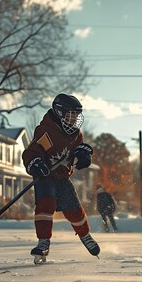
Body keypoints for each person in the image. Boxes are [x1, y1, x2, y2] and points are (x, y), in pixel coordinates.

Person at [22, 93, 99, 263]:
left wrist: (84, 154)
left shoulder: (75, 134)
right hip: (45, 177)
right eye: (71, 115)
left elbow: (79, 148)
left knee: (74, 209)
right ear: (59, 113)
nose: (74, 120)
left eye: (76, 116)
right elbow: (32, 153)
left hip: (63, 177)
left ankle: (85, 236)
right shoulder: (47, 131)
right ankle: (43, 242)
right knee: (46, 204)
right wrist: (35, 163)